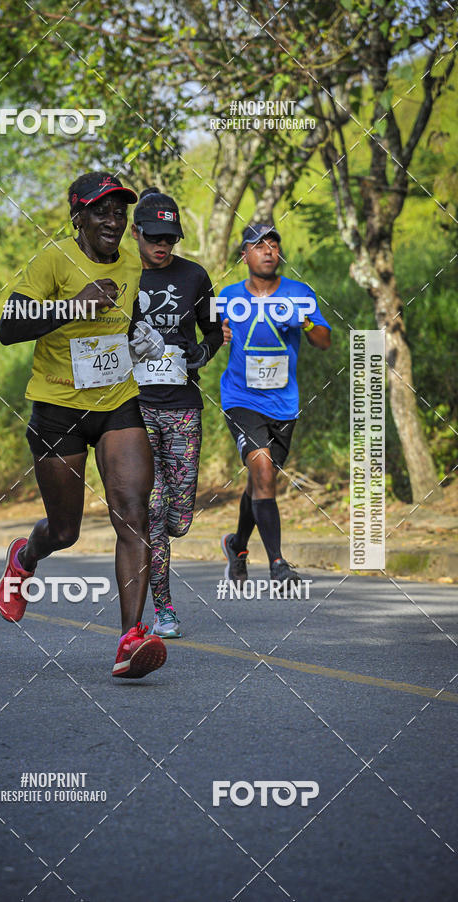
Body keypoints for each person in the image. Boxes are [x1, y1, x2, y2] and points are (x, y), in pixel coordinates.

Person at [0, 171, 169, 680]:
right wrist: (74, 305)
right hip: (58, 408)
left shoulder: (133, 265)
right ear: (78, 216)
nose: (113, 220)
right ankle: (24, 557)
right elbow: (9, 326)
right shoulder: (53, 260)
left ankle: (129, 639)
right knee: (66, 530)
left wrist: (143, 337)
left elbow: (126, 315)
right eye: (101, 210)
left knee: (133, 513)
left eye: (119, 211)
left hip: (118, 402)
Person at [131, 188, 223, 638]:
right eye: (154, 238)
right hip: (135, 409)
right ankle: (164, 609)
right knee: (152, 514)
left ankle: (171, 522)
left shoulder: (195, 277)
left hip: (184, 408)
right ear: (135, 233)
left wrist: (199, 354)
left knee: (178, 519)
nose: (162, 246)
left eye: (170, 238)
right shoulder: (120, 275)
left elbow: (214, 333)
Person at [219, 223, 331, 586]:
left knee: (259, 482)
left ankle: (237, 545)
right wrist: (215, 334)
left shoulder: (299, 293)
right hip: (241, 398)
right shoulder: (228, 296)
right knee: (263, 472)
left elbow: (324, 341)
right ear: (244, 255)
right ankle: (278, 564)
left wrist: (304, 321)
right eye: (259, 245)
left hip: (283, 403)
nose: (268, 251)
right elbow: (205, 335)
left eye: (273, 244)